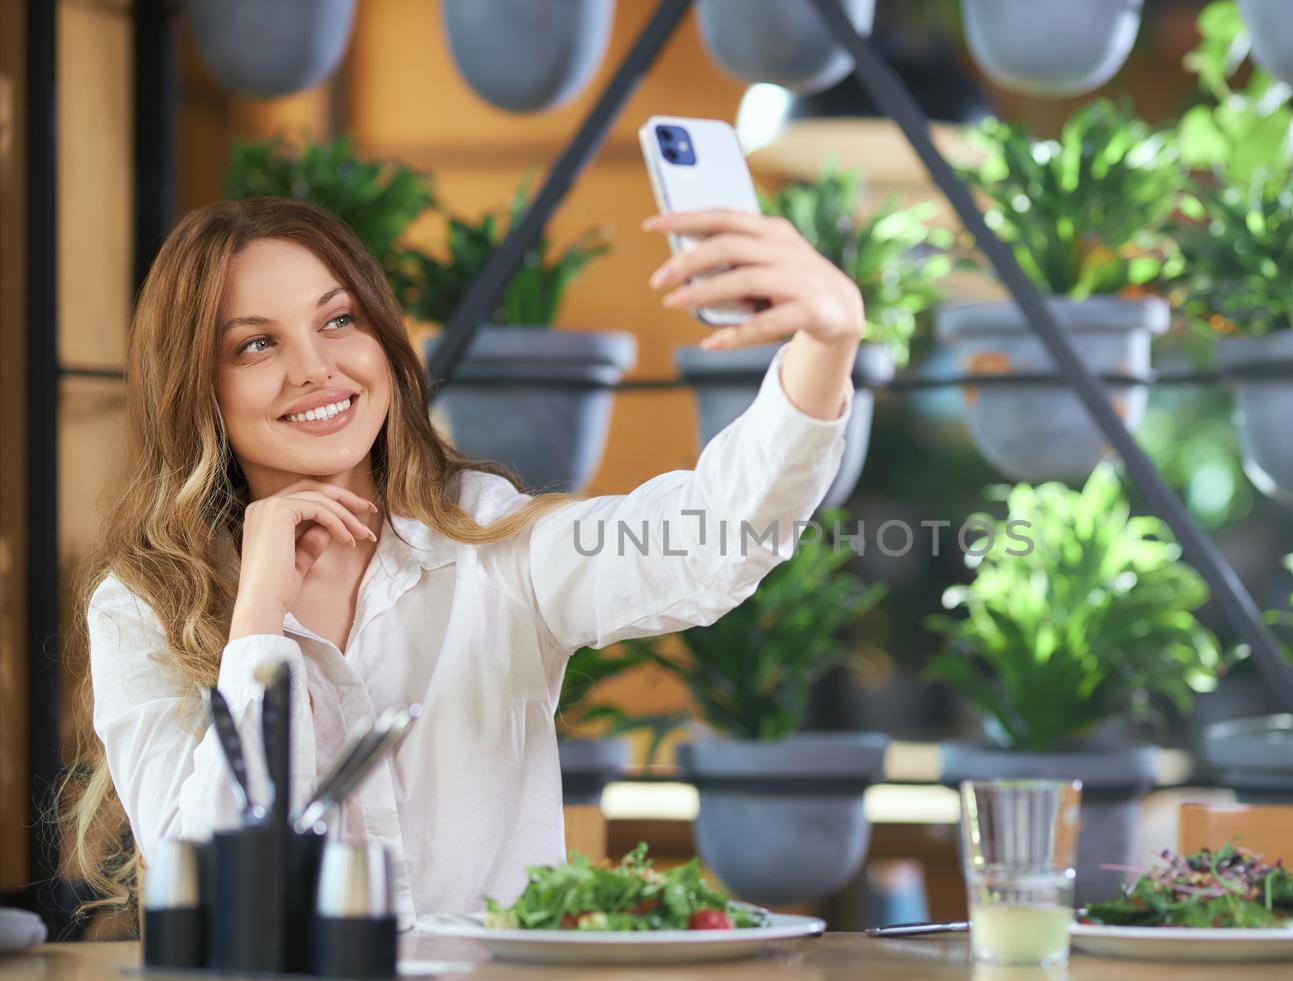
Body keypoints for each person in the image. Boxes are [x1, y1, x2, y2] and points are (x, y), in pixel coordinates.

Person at [68, 196, 863, 927]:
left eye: (339, 321)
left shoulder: (489, 540)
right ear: (196, 387)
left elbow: (707, 541)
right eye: (256, 343)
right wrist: (256, 625)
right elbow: (205, 883)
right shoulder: (141, 604)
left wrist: (828, 341)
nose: (315, 367)